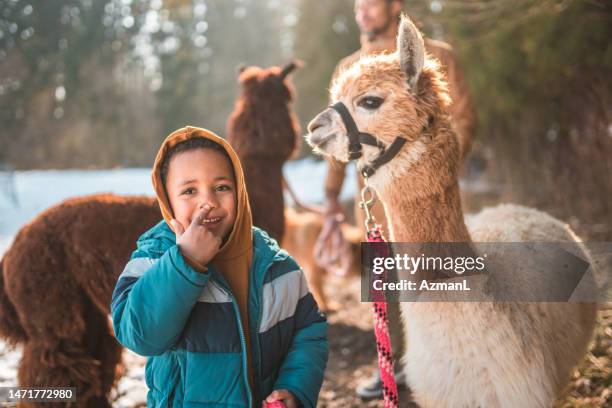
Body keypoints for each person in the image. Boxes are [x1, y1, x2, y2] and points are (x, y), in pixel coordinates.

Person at [323, 0, 476, 400]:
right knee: (384, 283)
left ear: (395, 6)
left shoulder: (437, 57)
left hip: (430, 198)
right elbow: (339, 132)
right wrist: (330, 194)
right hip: (374, 198)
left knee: (440, 275)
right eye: (358, 4)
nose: (362, 10)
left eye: (371, 2)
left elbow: (463, 117)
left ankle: (453, 361)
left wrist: (430, 167)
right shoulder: (349, 66)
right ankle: (392, 366)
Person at [111, 126, 328, 408]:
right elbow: (140, 336)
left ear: (239, 191)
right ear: (167, 201)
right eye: (189, 190)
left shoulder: (276, 265)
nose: (208, 203)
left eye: (222, 187)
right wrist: (184, 262)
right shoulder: (154, 257)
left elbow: (310, 331)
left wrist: (295, 388)